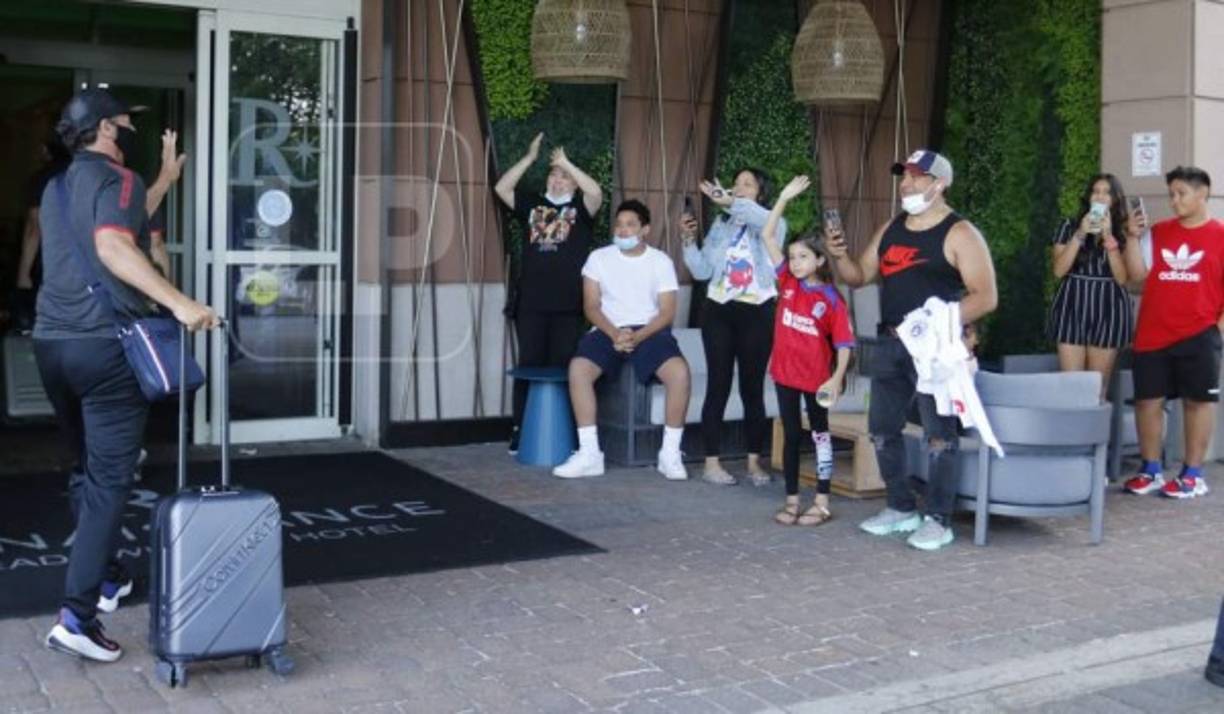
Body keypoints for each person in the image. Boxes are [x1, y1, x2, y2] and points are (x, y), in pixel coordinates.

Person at [35, 89, 218, 662]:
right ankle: (76, 618)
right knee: (112, 481)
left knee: (86, 469)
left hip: (53, 344)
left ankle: (110, 579)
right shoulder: (121, 178)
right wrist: (181, 303)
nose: (128, 130)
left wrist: (162, 180)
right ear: (108, 130)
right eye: (123, 121)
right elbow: (115, 243)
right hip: (107, 350)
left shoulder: (57, 184)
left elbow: (117, 218)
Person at [827, 150, 997, 551]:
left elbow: (986, 297)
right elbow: (858, 276)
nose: (905, 183)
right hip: (890, 342)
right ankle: (901, 507)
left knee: (939, 437)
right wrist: (838, 255)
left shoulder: (961, 233)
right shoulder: (892, 227)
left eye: (917, 177)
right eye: (903, 175)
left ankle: (939, 519)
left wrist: (940, 322)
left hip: (935, 350)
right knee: (883, 431)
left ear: (939, 184)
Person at [552, 199, 690, 481]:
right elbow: (591, 306)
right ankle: (590, 454)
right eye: (619, 224)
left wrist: (637, 336)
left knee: (679, 374)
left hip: (649, 330)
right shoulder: (599, 258)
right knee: (578, 370)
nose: (622, 230)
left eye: (630, 225)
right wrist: (615, 333)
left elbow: (667, 312)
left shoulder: (660, 261)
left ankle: (670, 453)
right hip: (607, 328)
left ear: (645, 230)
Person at [495, 132, 602, 455]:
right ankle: (520, 430)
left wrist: (566, 162)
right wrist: (529, 158)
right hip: (531, 303)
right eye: (554, 175)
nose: (558, 180)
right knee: (529, 364)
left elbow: (595, 191)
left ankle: (566, 432)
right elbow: (502, 189)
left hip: (569, 305)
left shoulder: (580, 208)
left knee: (565, 366)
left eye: (565, 177)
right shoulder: (533, 204)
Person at [1123, 166, 1223, 500]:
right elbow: (1135, 276)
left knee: (1198, 403)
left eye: (1181, 193)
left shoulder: (1220, 237)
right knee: (1147, 402)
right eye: (1172, 194)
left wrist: (1216, 332)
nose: (1174, 200)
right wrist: (1134, 238)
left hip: (1199, 334)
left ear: (1202, 194)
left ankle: (1192, 475)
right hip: (1152, 333)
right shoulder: (1159, 232)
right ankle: (1150, 469)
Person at [680, 168, 784, 486]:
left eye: (747, 184)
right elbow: (701, 272)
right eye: (736, 183)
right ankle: (712, 463)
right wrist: (687, 241)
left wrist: (725, 199)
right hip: (719, 311)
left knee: (752, 389)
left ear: (760, 194)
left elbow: (760, 221)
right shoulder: (721, 225)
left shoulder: (774, 223)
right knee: (718, 385)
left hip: (757, 312)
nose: (738, 188)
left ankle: (754, 462)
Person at [761, 176, 854, 525]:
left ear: (819, 260)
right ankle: (791, 501)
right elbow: (767, 236)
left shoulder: (831, 299)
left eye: (803, 256)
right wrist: (782, 198)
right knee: (789, 435)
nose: (795, 262)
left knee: (820, 435)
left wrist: (835, 379)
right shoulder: (786, 281)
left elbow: (844, 344)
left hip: (816, 380)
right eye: (792, 256)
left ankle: (823, 502)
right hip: (785, 374)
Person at [1047, 174, 1146, 396]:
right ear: (1089, 196)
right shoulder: (1069, 225)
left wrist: (1108, 236)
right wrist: (1081, 234)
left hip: (1108, 307)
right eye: (1096, 191)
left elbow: (1123, 278)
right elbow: (1059, 270)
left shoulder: (1123, 231)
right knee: (1071, 386)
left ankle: (1095, 430)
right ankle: (1073, 431)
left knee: (1096, 388)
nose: (1100, 196)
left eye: (1107, 192)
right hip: (1072, 304)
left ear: (1115, 199)